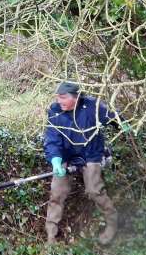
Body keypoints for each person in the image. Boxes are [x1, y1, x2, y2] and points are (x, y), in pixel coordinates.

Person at [43, 81, 127, 245]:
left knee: (94, 190)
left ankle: (112, 222)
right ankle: (51, 235)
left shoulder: (92, 107)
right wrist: (56, 160)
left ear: (75, 97)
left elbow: (113, 117)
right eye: (58, 98)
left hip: (90, 154)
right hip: (66, 155)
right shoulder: (55, 111)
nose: (59, 101)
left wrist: (123, 124)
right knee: (57, 192)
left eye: (63, 98)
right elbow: (52, 138)